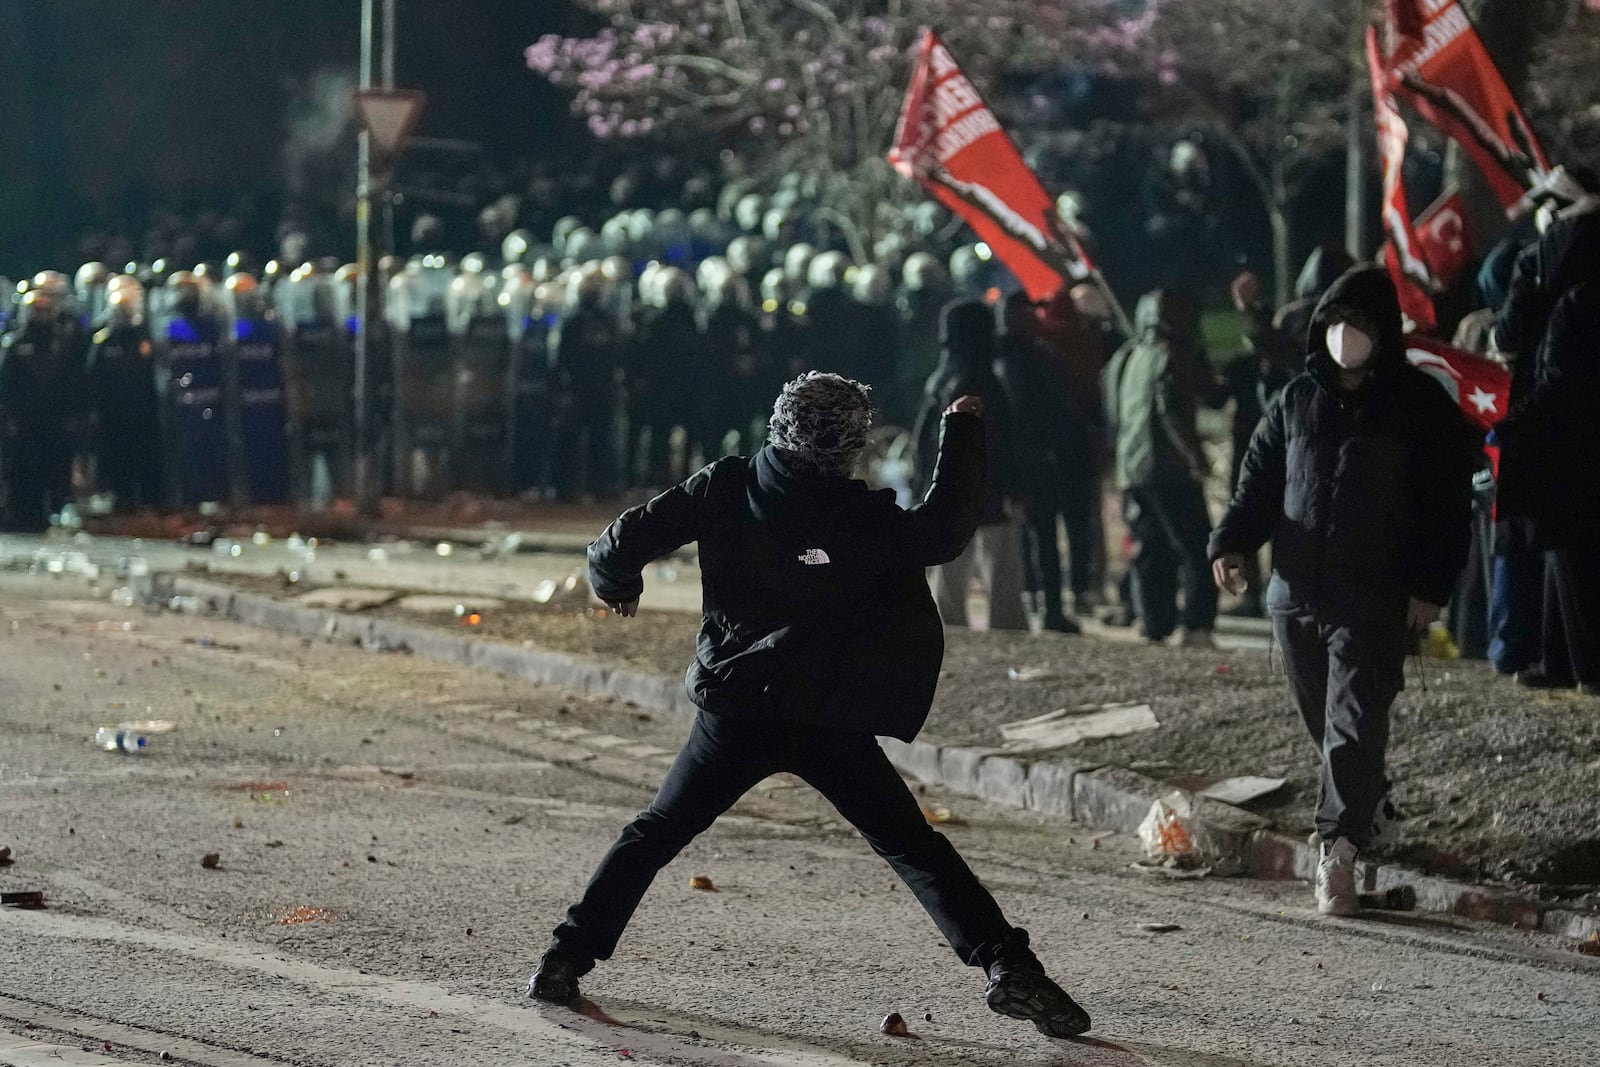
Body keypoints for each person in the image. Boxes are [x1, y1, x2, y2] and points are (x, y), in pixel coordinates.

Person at [529, 373, 1092, 1039]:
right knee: (915, 846)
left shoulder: (729, 484)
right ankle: (1008, 965)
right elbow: (944, 531)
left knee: (656, 832)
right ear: (853, 443)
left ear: (779, 425)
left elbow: (621, 543)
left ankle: (566, 959)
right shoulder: (865, 517)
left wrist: (617, 584)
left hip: (738, 706)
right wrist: (963, 429)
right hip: (830, 713)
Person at [1209, 266, 1475, 916]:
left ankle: (1337, 853)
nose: (1345, 335)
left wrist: (1430, 585)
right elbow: (1258, 482)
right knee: (1324, 726)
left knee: (1352, 724)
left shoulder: (1419, 407)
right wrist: (1230, 543)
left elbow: (1446, 506)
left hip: (1374, 598)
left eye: (1358, 324)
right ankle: (1366, 805)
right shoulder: (1295, 400)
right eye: (1336, 322)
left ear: (1383, 333)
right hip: (1295, 596)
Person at [1104, 291, 1217, 647]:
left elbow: (1112, 409)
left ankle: (1155, 623)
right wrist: (1195, 456)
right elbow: (1174, 412)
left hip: (1132, 469)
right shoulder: (1173, 356)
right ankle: (1196, 626)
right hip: (1169, 470)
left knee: (1150, 550)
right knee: (1197, 547)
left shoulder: (1127, 356)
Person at [915, 299, 1028, 631]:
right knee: (1000, 565)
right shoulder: (980, 380)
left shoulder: (940, 378)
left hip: (945, 485)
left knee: (951, 564)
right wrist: (1011, 485)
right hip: (985, 485)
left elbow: (925, 443)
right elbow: (998, 440)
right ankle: (1005, 626)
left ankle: (949, 625)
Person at [994, 291, 1084, 634]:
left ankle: (1037, 598)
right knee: (1042, 535)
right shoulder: (1036, 358)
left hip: (1019, 458)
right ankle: (1051, 607)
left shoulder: (998, 359)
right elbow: (1061, 408)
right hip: (1037, 457)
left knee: (1028, 534)